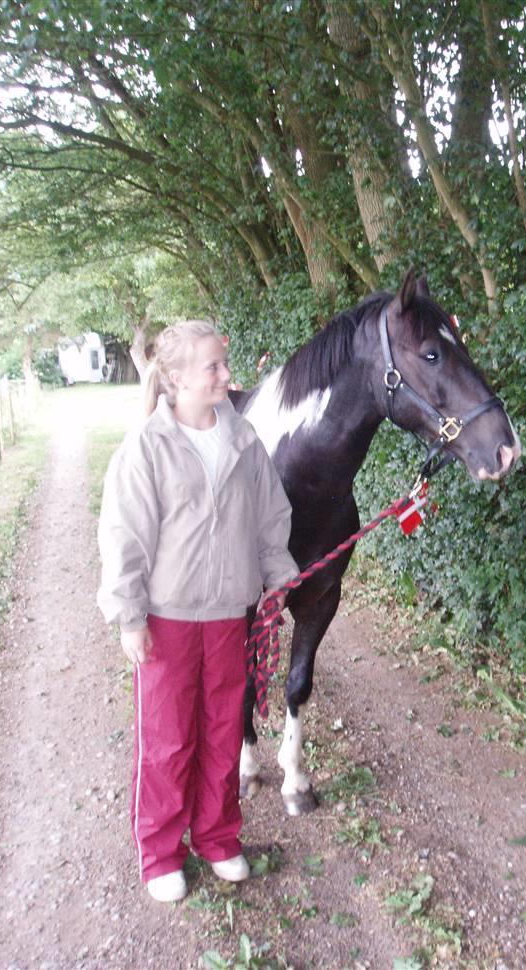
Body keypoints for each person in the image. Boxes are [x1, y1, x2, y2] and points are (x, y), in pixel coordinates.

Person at [97, 319, 297, 903]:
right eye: (213, 367)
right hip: (167, 620)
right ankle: (161, 853)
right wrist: (130, 615)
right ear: (177, 377)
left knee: (222, 731)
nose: (226, 376)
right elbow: (124, 535)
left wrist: (277, 577)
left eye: (223, 365)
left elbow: (271, 516)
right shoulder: (146, 446)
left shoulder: (244, 440)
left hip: (229, 615)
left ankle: (217, 837)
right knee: (167, 739)